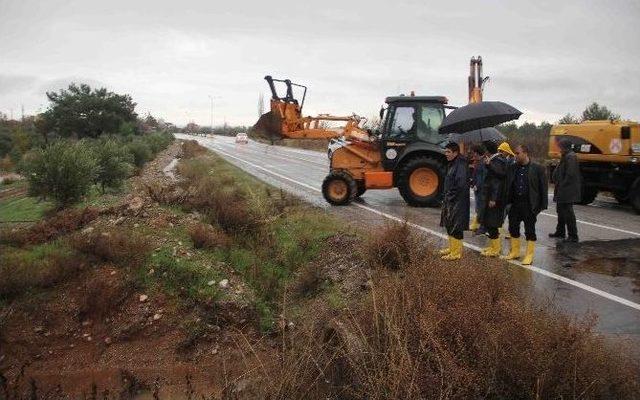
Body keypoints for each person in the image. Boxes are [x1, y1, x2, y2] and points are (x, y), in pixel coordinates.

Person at [503, 144, 548, 265]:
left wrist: (541, 206)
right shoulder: (512, 167)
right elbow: (507, 184)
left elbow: (543, 188)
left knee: (530, 230)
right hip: (515, 203)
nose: (515, 155)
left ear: (525, 153)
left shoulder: (537, 168)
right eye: (515, 153)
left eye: (517, 153)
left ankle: (529, 255)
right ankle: (515, 251)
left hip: (529, 205)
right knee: (513, 227)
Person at [439, 141, 470, 260]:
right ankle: (452, 248)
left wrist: (450, 197)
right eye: (445, 151)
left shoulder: (460, 165)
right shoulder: (452, 163)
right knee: (449, 223)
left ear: (456, 153)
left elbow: (460, 185)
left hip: (457, 201)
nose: (446, 154)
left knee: (456, 225)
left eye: (448, 152)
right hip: (450, 200)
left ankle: (456, 252)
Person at [479, 140, 508, 257]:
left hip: (494, 198)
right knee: (489, 222)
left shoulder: (498, 161)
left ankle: (496, 249)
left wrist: (493, 199)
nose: (483, 152)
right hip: (490, 196)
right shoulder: (493, 160)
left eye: (484, 149)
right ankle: (492, 246)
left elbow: (497, 181)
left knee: (492, 223)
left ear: (487, 150)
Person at [550, 139, 581, 242]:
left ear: (565, 147)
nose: (559, 149)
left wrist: (563, 185)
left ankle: (573, 236)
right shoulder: (565, 156)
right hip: (562, 188)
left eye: (561, 147)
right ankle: (560, 231)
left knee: (568, 212)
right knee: (560, 211)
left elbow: (570, 174)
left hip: (567, 189)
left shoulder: (571, 157)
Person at [469, 144, 487, 234]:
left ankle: (483, 227)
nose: (472, 155)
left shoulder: (483, 162)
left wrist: (477, 185)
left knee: (481, 209)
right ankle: (479, 226)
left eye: (473, 153)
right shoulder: (477, 162)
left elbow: (483, 177)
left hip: (481, 191)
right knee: (478, 208)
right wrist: (472, 182)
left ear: (477, 153)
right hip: (477, 190)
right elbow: (476, 175)